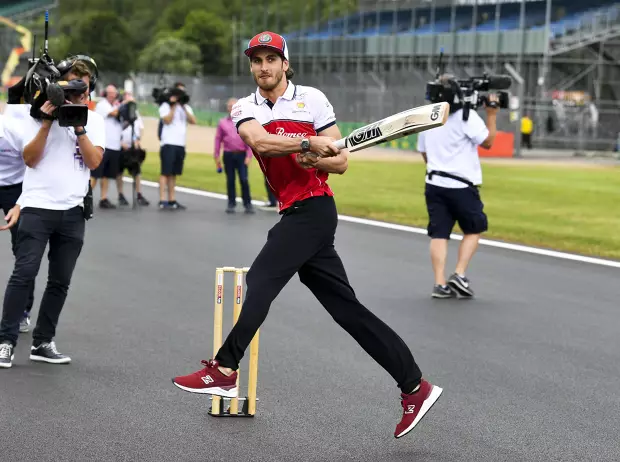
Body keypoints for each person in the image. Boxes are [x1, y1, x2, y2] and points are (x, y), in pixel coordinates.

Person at [172, 31, 443, 439]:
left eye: (271, 59)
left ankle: (225, 368)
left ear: (285, 63)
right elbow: (259, 143)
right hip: (294, 210)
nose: (263, 66)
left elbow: (341, 163)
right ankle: (415, 386)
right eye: (256, 60)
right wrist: (305, 143)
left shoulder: (312, 100)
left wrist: (317, 154)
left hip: (313, 209)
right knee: (348, 311)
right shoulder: (245, 107)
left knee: (260, 278)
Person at [0, 58, 105, 368]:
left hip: (73, 211)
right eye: (71, 84)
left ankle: (43, 341)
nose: (77, 91)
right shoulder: (38, 117)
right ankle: (5, 341)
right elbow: (29, 160)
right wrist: (47, 122)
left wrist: (79, 129)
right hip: (36, 207)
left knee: (60, 281)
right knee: (24, 273)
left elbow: (94, 162)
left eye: (82, 86)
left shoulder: (94, 121)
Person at [416, 74, 499, 299]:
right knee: (474, 228)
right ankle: (459, 274)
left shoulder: (427, 119)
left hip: (433, 183)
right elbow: (488, 142)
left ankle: (439, 283)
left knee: (439, 233)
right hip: (461, 185)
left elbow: (424, 152)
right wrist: (492, 114)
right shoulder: (466, 117)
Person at [0, 104, 35, 333]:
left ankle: (22, 310)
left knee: (24, 250)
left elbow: (35, 167)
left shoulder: (14, 131)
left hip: (15, 187)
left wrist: (22, 202)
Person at [158, 82, 196, 210]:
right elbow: (167, 120)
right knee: (165, 172)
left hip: (180, 143)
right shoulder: (165, 106)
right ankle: (162, 199)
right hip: (168, 143)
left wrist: (183, 107)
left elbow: (193, 121)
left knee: (174, 173)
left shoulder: (186, 107)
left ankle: (172, 199)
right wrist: (173, 105)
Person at [214, 97, 255, 214]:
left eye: (233, 106)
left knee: (243, 179)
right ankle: (231, 203)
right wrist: (216, 154)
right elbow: (218, 139)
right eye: (229, 107)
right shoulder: (222, 123)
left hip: (241, 155)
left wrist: (249, 155)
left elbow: (248, 139)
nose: (231, 109)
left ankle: (248, 204)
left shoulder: (244, 122)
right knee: (230, 180)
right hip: (228, 155)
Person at [92, 84, 127, 208]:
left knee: (107, 174)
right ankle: (85, 197)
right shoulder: (102, 105)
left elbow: (123, 123)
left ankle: (104, 198)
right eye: (110, 93)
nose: (112, 95)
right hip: (104, 144)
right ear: (106, 94)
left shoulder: (117, 106)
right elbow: (113, 113)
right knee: (95, 174)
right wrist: (125, 104)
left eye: (114, 93)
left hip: (115, 145)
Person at [119, 91, 149, 206]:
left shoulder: (136, 114)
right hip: (122, 145)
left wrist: (137, 140)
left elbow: (140, 128)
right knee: (119, 172)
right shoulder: (121, 112)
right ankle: (121, 194)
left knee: (137, 171)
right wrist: (121, 143)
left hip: (133, 145)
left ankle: (139, 194)